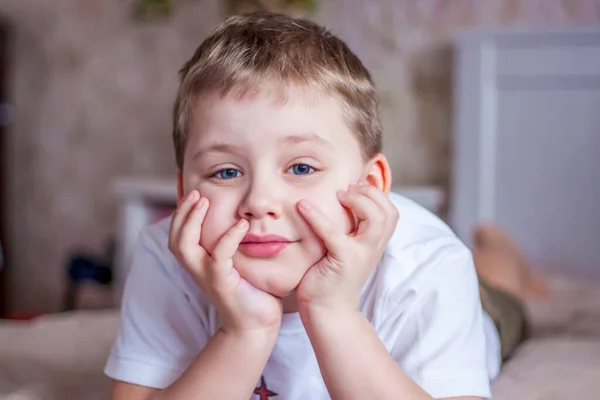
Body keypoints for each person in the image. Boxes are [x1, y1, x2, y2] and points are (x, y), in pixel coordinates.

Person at [104, 11, 526, 400]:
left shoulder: (427, 263)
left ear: (371, 185)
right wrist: (244, 332)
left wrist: (333, 311)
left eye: (301, 167)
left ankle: (502, 256)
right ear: (183, 196)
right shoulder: (166, 254)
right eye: (226, 172)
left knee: (498, 289)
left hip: (485, 309)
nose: (260, 202)